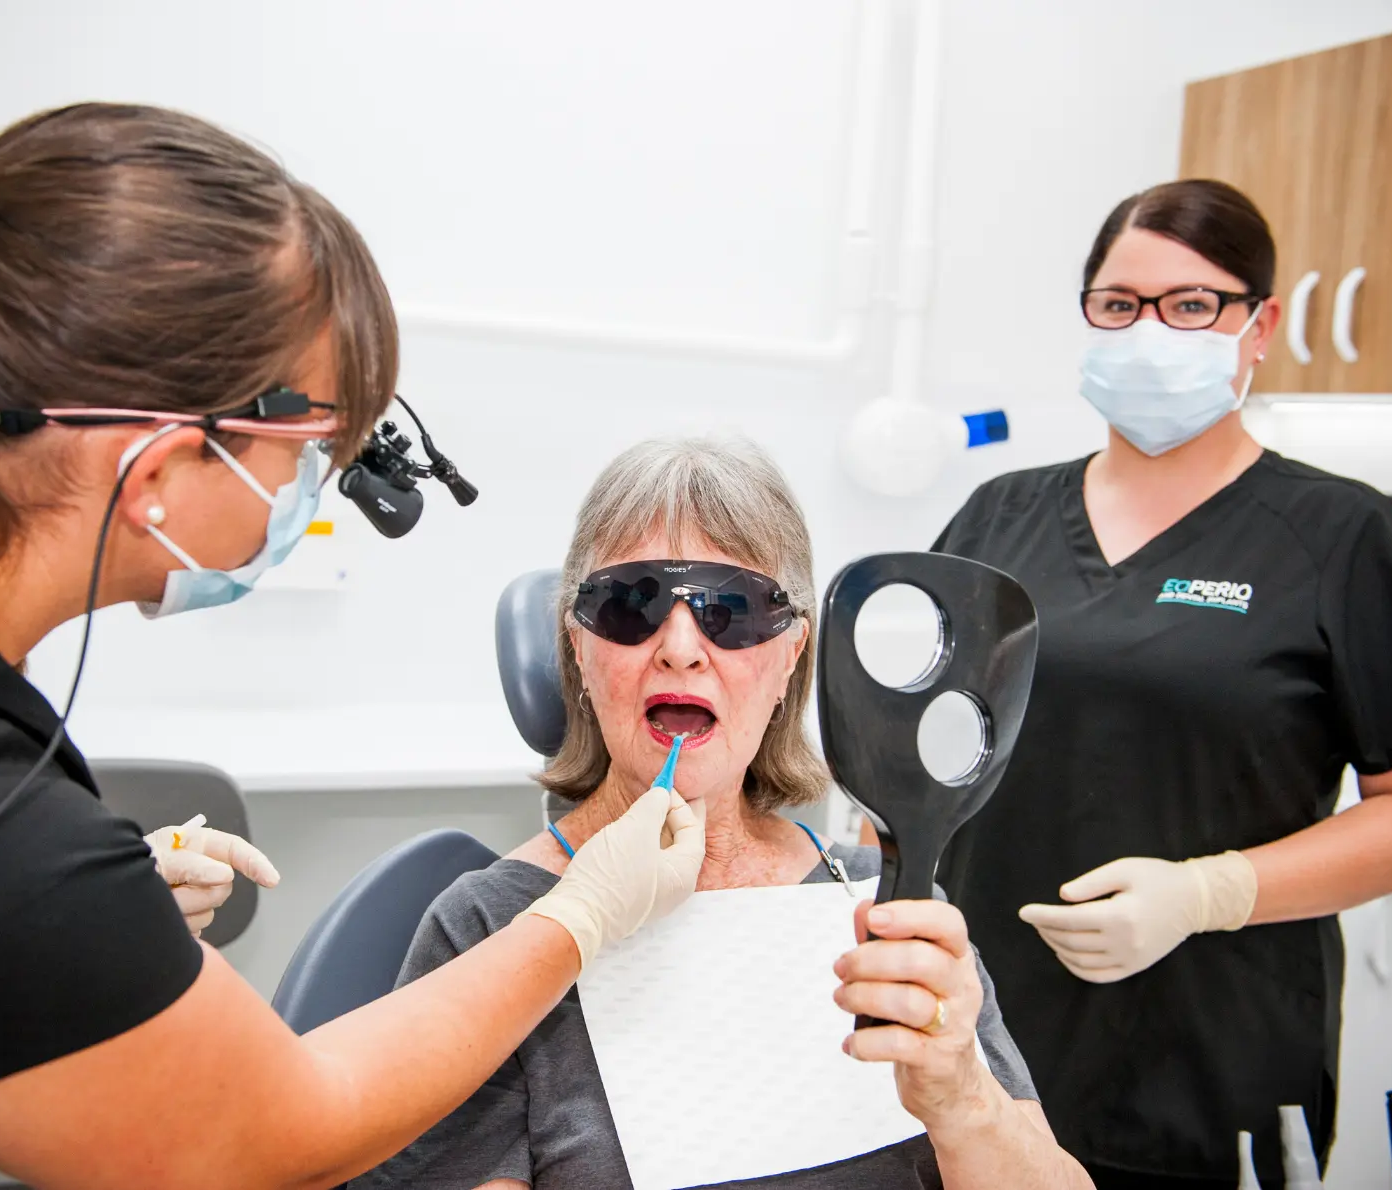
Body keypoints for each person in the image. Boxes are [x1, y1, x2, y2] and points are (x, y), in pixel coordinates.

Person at [0, 103, 704, 1187]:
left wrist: (77, 933)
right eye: (309, 454)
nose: (310, 496)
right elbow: (282, 1132)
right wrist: (582, 914)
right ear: (152, 474)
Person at [355, 438, 1091, 1189]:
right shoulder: (487, 927)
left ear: (791, 658)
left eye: (731, 609)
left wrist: (964, 1098)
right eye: (630, 602)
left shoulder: (889, 910)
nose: (680, 648)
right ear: (578, 646)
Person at [930, 179, 1392, 1188]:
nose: (1149, 330)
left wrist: (1209, 891)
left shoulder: (1341, 535)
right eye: (1118, 302)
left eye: (1191, 305)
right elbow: (926, 746)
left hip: (1204, 1068)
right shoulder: (996, 518)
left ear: (1259, 324)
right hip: (977, 1055)